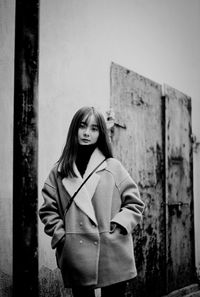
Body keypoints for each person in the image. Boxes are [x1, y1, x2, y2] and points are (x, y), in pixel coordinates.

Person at [39, 106, 145, 297]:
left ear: (101, 133)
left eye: (94, 128)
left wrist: (119, 225)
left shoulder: (113, 166)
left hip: (112, 249)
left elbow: (135, 204)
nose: (87, 133)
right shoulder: (59, 171)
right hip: (76, 252)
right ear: (75, 129)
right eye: (82, 126)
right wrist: (63, 236)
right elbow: (48, 210)